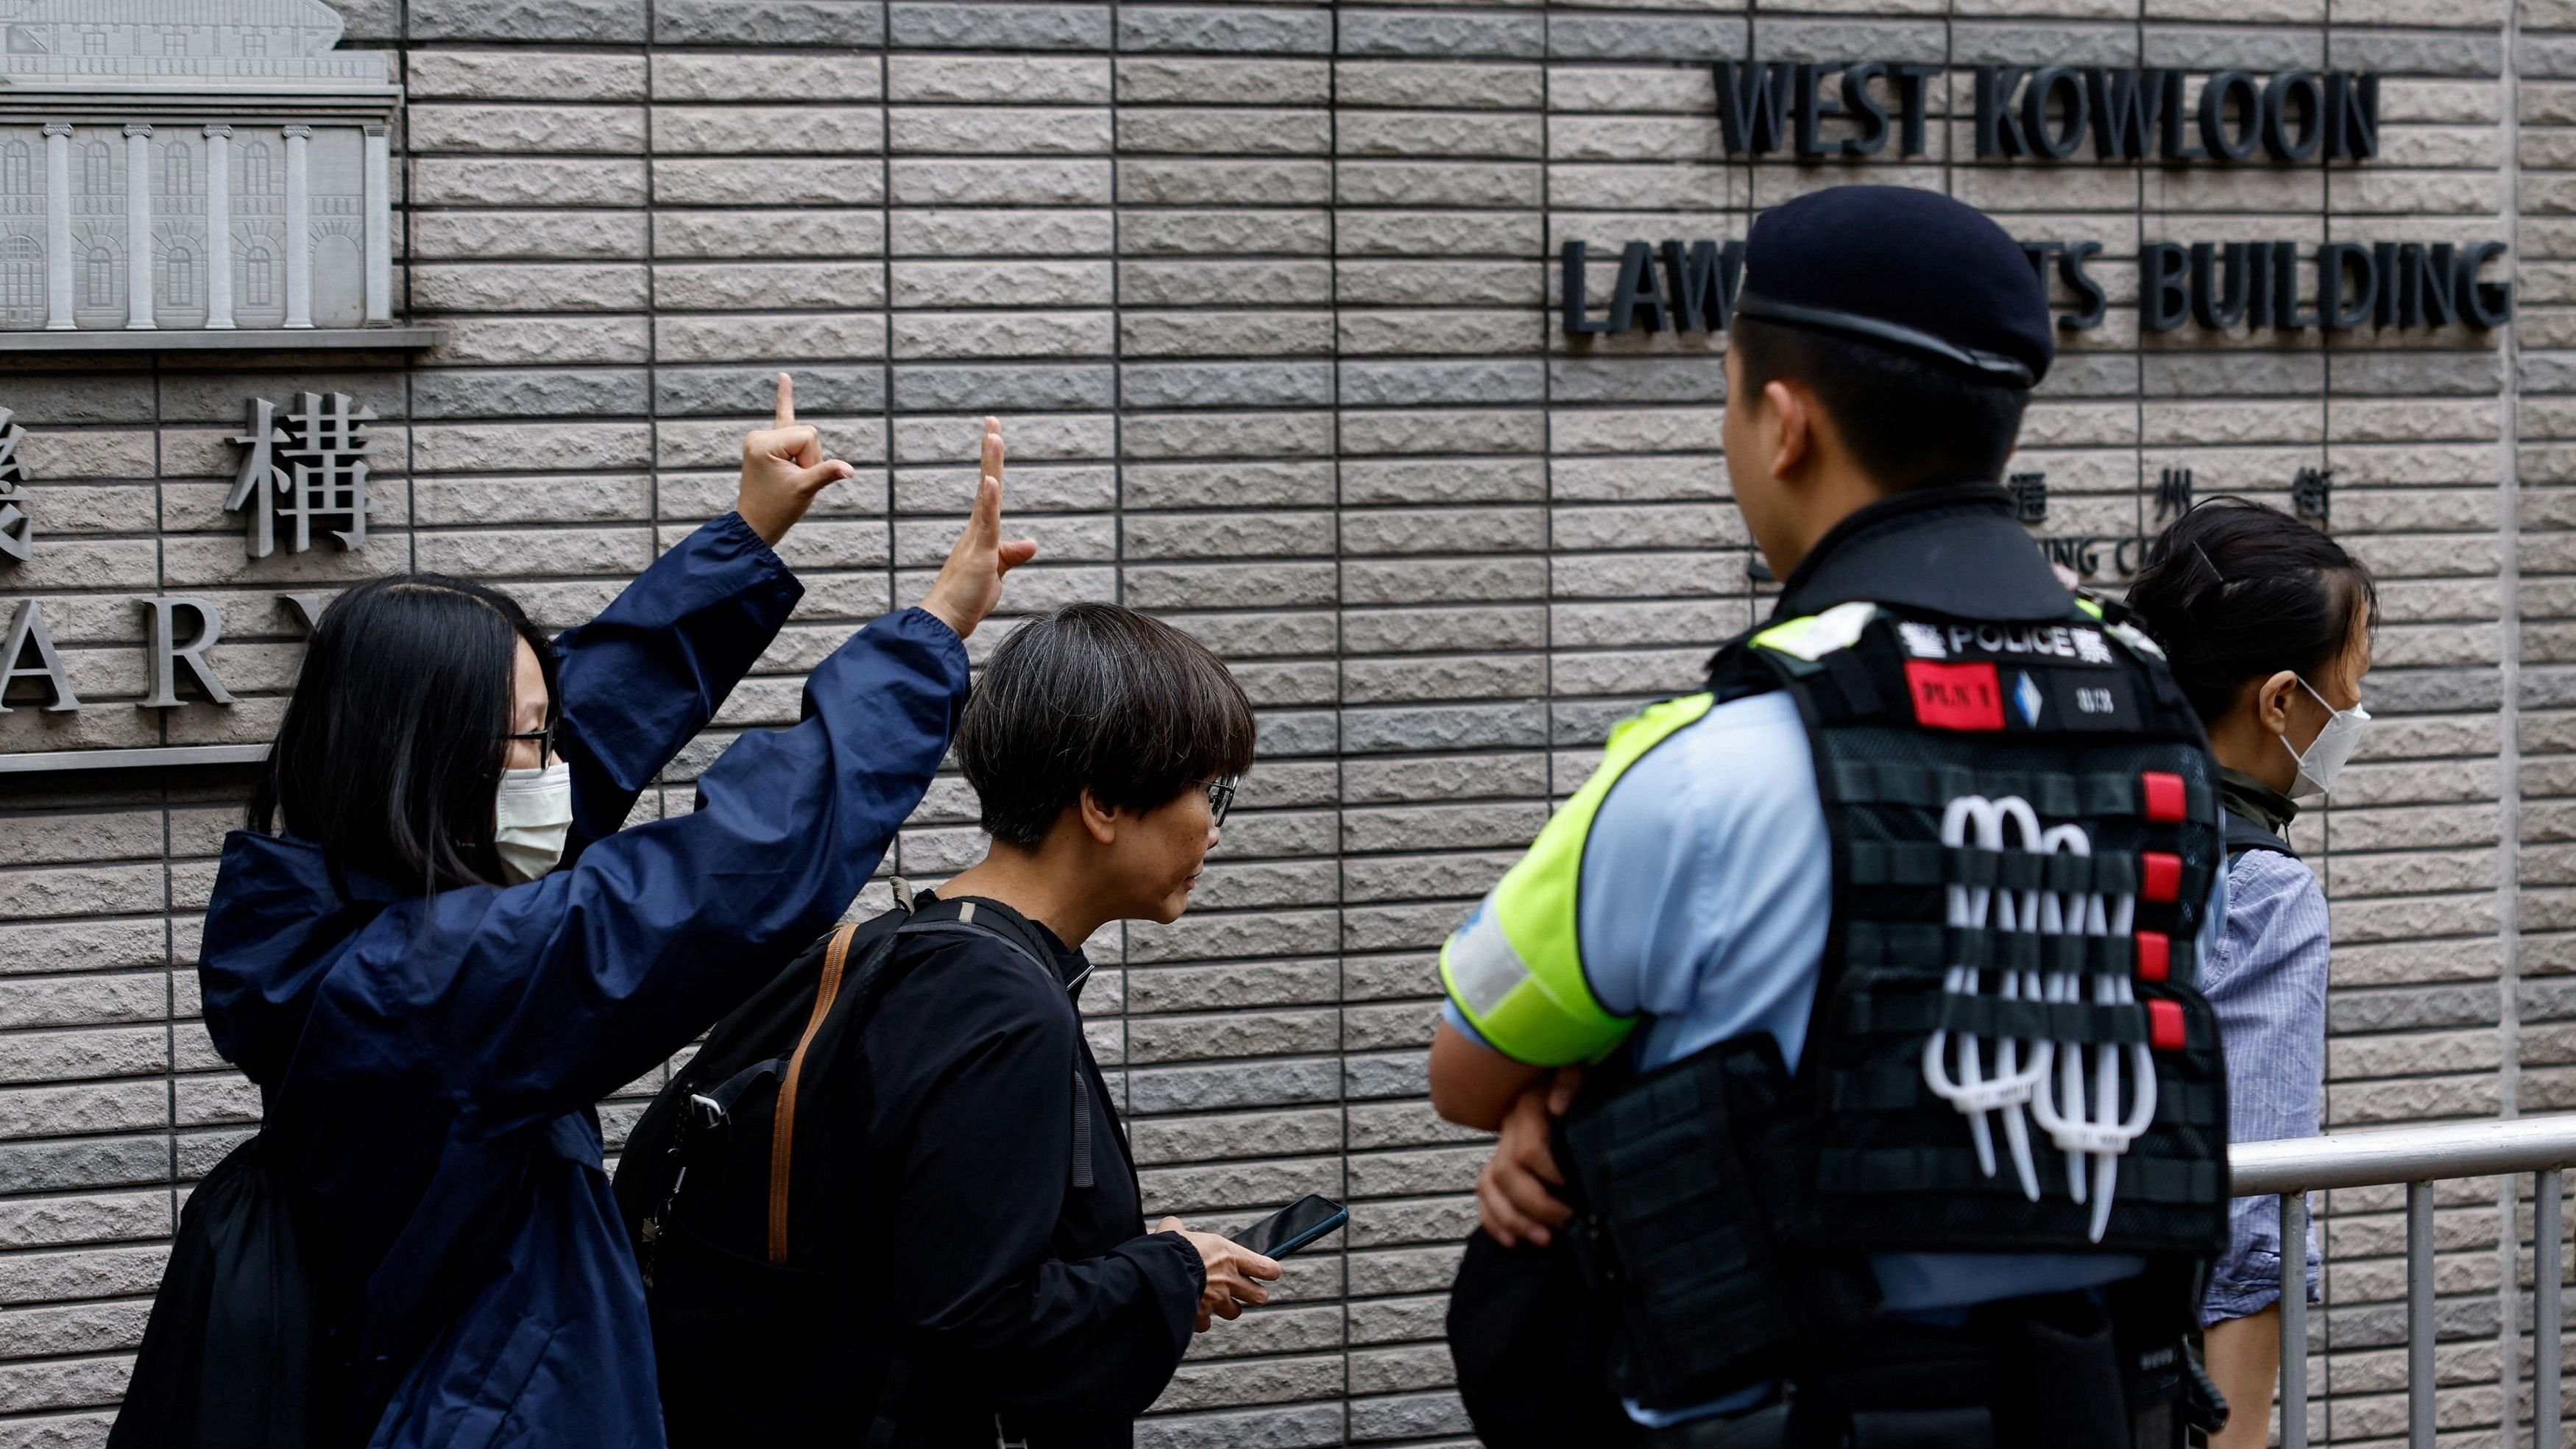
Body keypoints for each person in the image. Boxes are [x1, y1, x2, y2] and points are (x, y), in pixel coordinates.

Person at [1432, 185, 2232, 1449]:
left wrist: (1579, 1090)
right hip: (2104, 1404)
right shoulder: (2152, 727)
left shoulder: (1714, 760)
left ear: (1785, 423)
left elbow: (1467, 1068)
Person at [185, 376, 1035, 1449]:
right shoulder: (432, 988)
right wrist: (927, 639)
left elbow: (590, 717)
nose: (554, 768)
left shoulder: (352, 921)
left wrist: (744, 539)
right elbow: (729, 874)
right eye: (528, 742)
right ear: (434, 771)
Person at [641, 601, 1278, 1449]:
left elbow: (919, 1251)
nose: (1213, 827)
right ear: (1100, 802)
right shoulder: (1000, 1002)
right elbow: (978, 1323)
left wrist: (1134, 1261)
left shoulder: (913, 943)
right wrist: (1171, 1270)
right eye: (1208, 789)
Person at [2127, 499, 2376, 1449]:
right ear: (2279, 701)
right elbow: (2253, 1203)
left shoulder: (2077, 820)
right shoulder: (2261, 891)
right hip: (2146, 1368)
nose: (2353, 711)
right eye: (2346, 684)